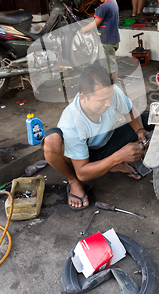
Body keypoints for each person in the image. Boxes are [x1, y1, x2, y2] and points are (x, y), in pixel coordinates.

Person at [43, 64, 152, 210]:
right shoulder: (71, 122)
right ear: (83, 98)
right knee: (52, 142)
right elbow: (82, 172)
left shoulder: (110, 92)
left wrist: (139, 130)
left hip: (108, 141)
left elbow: (129, 110)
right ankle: (73, 182)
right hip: (85, 157)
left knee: (150, 119)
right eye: (101, 101)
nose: (108, 104)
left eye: (110, 98)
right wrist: (119, 156)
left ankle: (111, 164)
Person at [81, 0, 120, 83]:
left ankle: (112, 85)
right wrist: (93, 29)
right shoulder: (114, 2)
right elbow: (104, 22)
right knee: (111, 62)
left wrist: (85, 29)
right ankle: (112, 83)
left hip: (106, 41)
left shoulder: (103, 8)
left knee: (108, 65)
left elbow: (95, 23)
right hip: (113, 39)